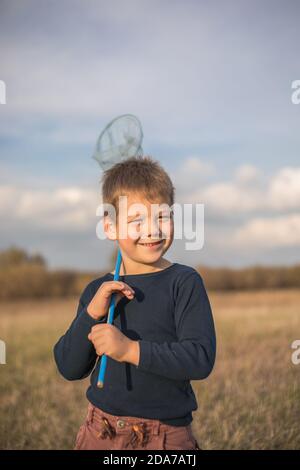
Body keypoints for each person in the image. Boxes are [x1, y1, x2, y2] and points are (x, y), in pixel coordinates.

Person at [53, 155, 216, 450]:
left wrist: (129, 350)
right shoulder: (98, 291)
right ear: (111, 228)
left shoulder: (184, 282)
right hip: (100, 431)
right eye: (136, 220)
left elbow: (200, 358)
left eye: (162, 217)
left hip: (165, 436)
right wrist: (92, 313)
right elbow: (69, 366)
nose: (152, 230)